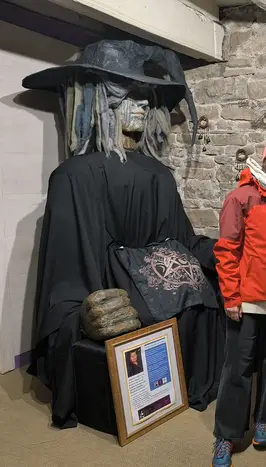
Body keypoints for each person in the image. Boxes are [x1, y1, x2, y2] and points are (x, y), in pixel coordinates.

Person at [22, 40, 224, 429]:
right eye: (127, 94)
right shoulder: (74, 178)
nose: (142, 105)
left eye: (146, 96)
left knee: (209, 294)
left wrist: (229, 252)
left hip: (163, 281)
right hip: (120, 288)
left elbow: (182, 239)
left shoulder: (159, 176)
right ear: (97, 100)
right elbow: (65, 273)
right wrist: (76, 316)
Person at [212, 134, 266, 467]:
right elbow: (226, 250)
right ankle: (226, 435)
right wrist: (231, 297)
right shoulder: (241, 198)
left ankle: (263, 419)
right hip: (247, 301)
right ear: (265, 158)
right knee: (238, 368)